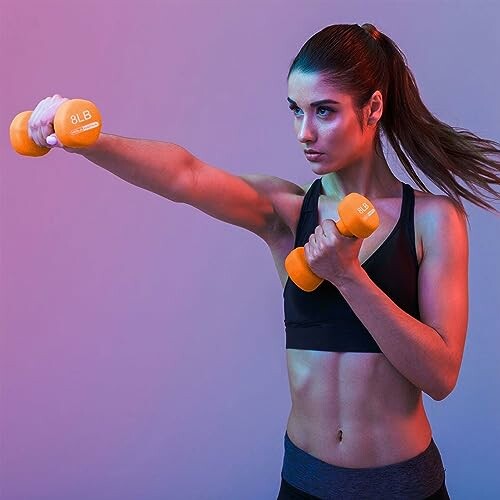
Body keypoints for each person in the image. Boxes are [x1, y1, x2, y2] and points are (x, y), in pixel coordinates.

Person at [26, 22, 499, 500]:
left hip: (402, 489)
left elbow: (440, 376)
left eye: (325, 111)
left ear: (373, 107)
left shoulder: (433, 220)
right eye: (295, 111)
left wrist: (349, 276)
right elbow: (186, 175)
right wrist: (86, 140)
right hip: (305, 484)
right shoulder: (285, 213)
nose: (304, 132)